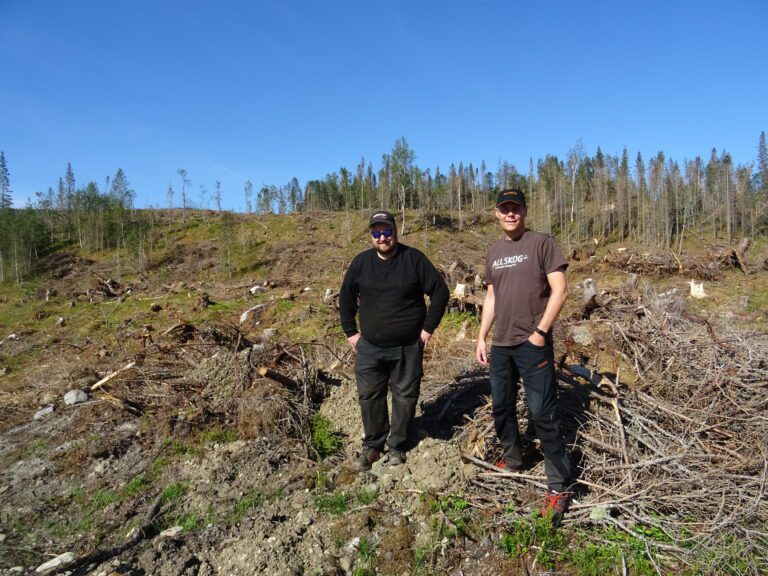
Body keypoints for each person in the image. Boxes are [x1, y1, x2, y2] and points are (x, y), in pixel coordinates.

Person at [475, 188, 573, 525]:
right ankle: (513, 458)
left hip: (533, 344)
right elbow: (491, 296)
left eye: (515, 208)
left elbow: (560, 289)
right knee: (501, 406)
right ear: (497, 214)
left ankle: (559, 486)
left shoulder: (541, 244)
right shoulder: (494, 252)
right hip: (501, 345)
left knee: (542, 413)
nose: (510, 214)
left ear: (524, 211)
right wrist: (482, 336)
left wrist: (540, 332)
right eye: (504, 209)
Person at [340, 210, 449, 470]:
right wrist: (350, 332)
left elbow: (440, 293)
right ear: (371, 235)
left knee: (405, 396)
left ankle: (398, 446)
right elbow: (345, 298)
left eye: (386, 231)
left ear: (395, 231)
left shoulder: (413, 259)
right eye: (376, 233)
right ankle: (373, 446)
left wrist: (426, 330)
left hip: (408, 346)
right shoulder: (361, 263)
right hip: (370, 347)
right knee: (369, 395)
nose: (382, 237)